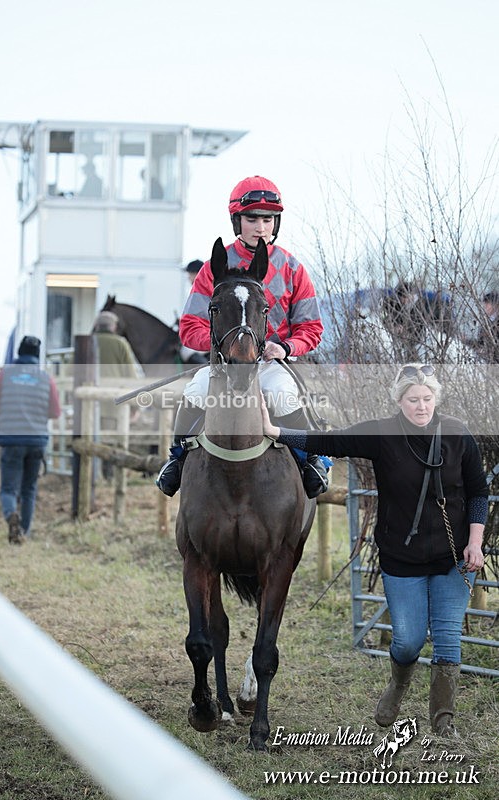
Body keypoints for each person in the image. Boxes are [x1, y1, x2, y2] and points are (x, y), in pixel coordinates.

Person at [261, 363, 488, 736]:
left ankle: (443, 721)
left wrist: (475, 542)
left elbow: (479, 492)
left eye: (427, 399)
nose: (421, 406)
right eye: (413, 399)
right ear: (399, 401)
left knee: (447, 636)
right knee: (408, 640)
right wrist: (277, 432)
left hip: (453, 556)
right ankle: (398, 684)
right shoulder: (382, 434)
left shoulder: (459, 435)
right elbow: (330, 441)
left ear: (436, 399)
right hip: (402, 557)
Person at [156, 174, 328, 499]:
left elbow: (312, 329)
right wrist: (227, 346)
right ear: (238, 220)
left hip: (271, 364)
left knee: (282, 393)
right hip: (224, 364)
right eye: (252, 219)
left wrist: (285, 347)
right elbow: (190, 328)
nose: (260, 227)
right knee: (195, 390)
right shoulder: (212, 269)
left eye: (267, 219)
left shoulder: (293, 269)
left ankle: (310, 461)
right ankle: (176, 460)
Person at [0, 336, 61, 544]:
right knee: (29, 489)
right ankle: (24, 533)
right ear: (37, 355)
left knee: (8, 489)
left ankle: (11, 515)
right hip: (36, 440)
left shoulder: (5, 374)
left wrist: (6, 417)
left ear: (19, 352)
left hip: (11, 439)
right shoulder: (46, 378)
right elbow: (55, 411)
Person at [92, 311, 140, 479]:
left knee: (92, 439)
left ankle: (95, 474)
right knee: (113, 441)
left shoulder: (87, 342)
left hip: (89, 403)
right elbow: (130, 375)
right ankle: (110, 475)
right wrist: (135, 404)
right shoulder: (120, 343)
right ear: (113, 327)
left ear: (97, 326)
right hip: (114, 404)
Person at [178, 259, 208, 365]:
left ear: (197, 274)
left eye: (190, 274)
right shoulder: (196, 291)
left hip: (207, 332)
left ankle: (206, 368)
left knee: (186, 351)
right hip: (203, 331)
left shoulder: (205, 290)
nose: (188, 278)